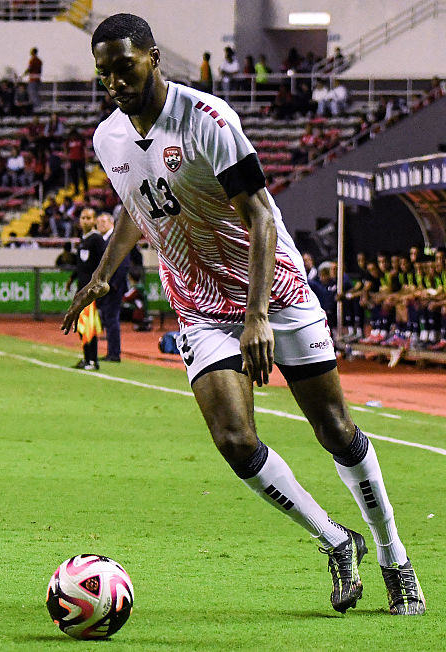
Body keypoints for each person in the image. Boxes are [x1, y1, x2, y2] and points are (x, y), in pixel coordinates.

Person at [63, 13, 424, 616]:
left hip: (273, 289)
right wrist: (103, 273)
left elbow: (259, 216)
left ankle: (394, 555)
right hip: (200, 304)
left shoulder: (209, 120)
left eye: (125, 67)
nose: (115, 83)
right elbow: (137, 204)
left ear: (152, 57)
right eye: (104, 74)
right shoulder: (109, 138)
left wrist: (257, 316)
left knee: (334, 429)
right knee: (234, 440)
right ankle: (338, 540)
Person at [65, 208, 106, 369]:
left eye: (88, 218)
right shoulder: (83, 239)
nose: (85, 221)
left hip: (90, 291)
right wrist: (72, 279)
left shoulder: (97, 239)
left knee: (89, 326)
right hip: (81, 289)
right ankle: (86, 357)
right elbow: (80, 264)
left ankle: (92, 360)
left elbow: (103, 262)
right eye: (82, 217)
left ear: (94, 220)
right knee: (81, 325)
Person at [94, 211, 131, 361]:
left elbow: (124, 262)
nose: (101, 224)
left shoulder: (116, 239)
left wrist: (115, 284)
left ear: (112, 223)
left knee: (112, 318)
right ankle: (111, 351)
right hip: (104, 286)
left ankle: (114, 353)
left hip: (113, 287)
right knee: (107, 318)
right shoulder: (101, 240)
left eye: (104, 221)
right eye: (99, 221)